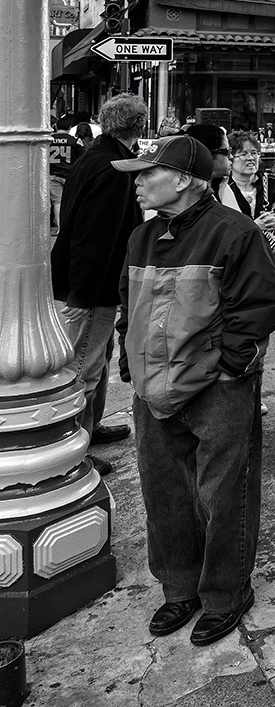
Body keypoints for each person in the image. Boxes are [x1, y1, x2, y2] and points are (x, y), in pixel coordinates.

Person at [113, 135, 275, 646]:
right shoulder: (142, 237)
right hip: (152, 392)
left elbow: (256, 307)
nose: (138, 181)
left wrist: (231, 368)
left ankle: (225, 595)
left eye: (148, 173)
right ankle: (179, 589)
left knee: (224, 493)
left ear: (184, 179)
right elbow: (130, 304)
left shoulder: (234, 232)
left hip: (216, 390)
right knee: (163, 493)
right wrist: (129, 358)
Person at [50, 93, 148, 475]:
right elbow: (96, 238)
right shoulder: (111, 167)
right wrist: (89, 295)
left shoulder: (95, 155)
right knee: (84, 370)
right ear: (138, 126)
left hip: (90, 284)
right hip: (93, 287)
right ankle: (75, 448)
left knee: (96, 360)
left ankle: (91, 429)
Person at [218, 130, 275, 281]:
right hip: (233, 267)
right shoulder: (220, 187)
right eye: (243, 153)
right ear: (230, 158)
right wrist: (254, 227)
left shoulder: (273, 183)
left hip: (269, 265)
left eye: (254, 152)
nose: (251, 158)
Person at [49, 116, 85, 234]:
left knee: (57, 202)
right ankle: (73, 227)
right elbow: (82, 157)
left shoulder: (48, 139)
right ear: (69, 128)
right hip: (70, 175)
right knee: (72, 201)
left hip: (52, 174)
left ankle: (61, 228)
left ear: (56, 127)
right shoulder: (74, 141)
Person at [183, 123, 232, 197]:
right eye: (227, 152)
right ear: (208, 154)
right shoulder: (184, 196)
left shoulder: (224, 186)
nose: (231, 156)